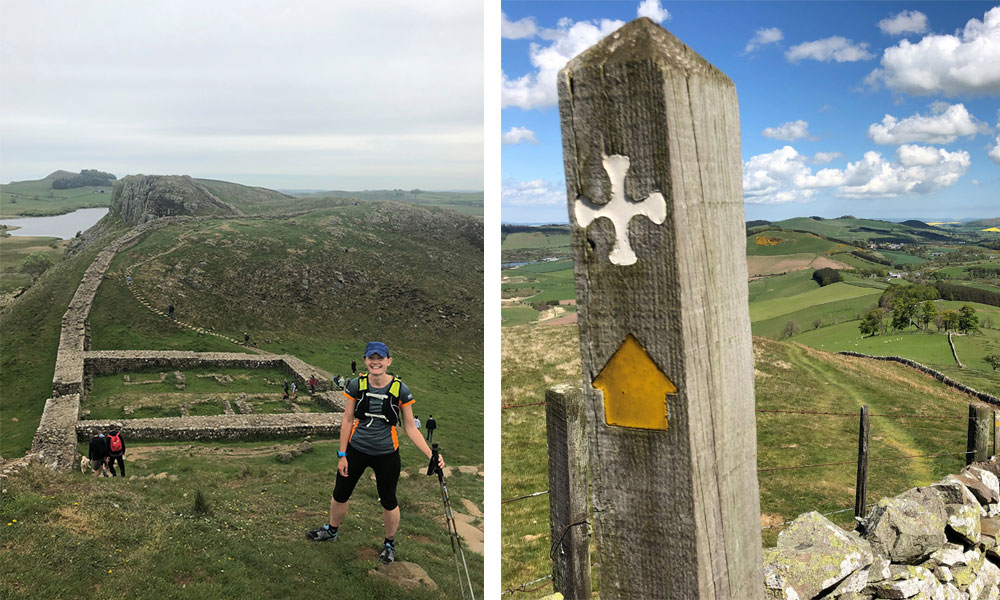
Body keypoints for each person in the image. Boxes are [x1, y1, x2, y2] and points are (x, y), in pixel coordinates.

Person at [306, 341, 443, 564]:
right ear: (365, 361)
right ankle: (331, 531)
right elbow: (348, 419)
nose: (375, 362)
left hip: (387, 453)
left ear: (389, 361)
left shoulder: (401, 390)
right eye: (371, 358)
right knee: (340, 493)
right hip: (356, 449)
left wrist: (431, 455)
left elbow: (409, 427)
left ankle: (389, 543)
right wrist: (342, 455)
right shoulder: (355, 385)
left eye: (380, 358)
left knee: (389, 500)